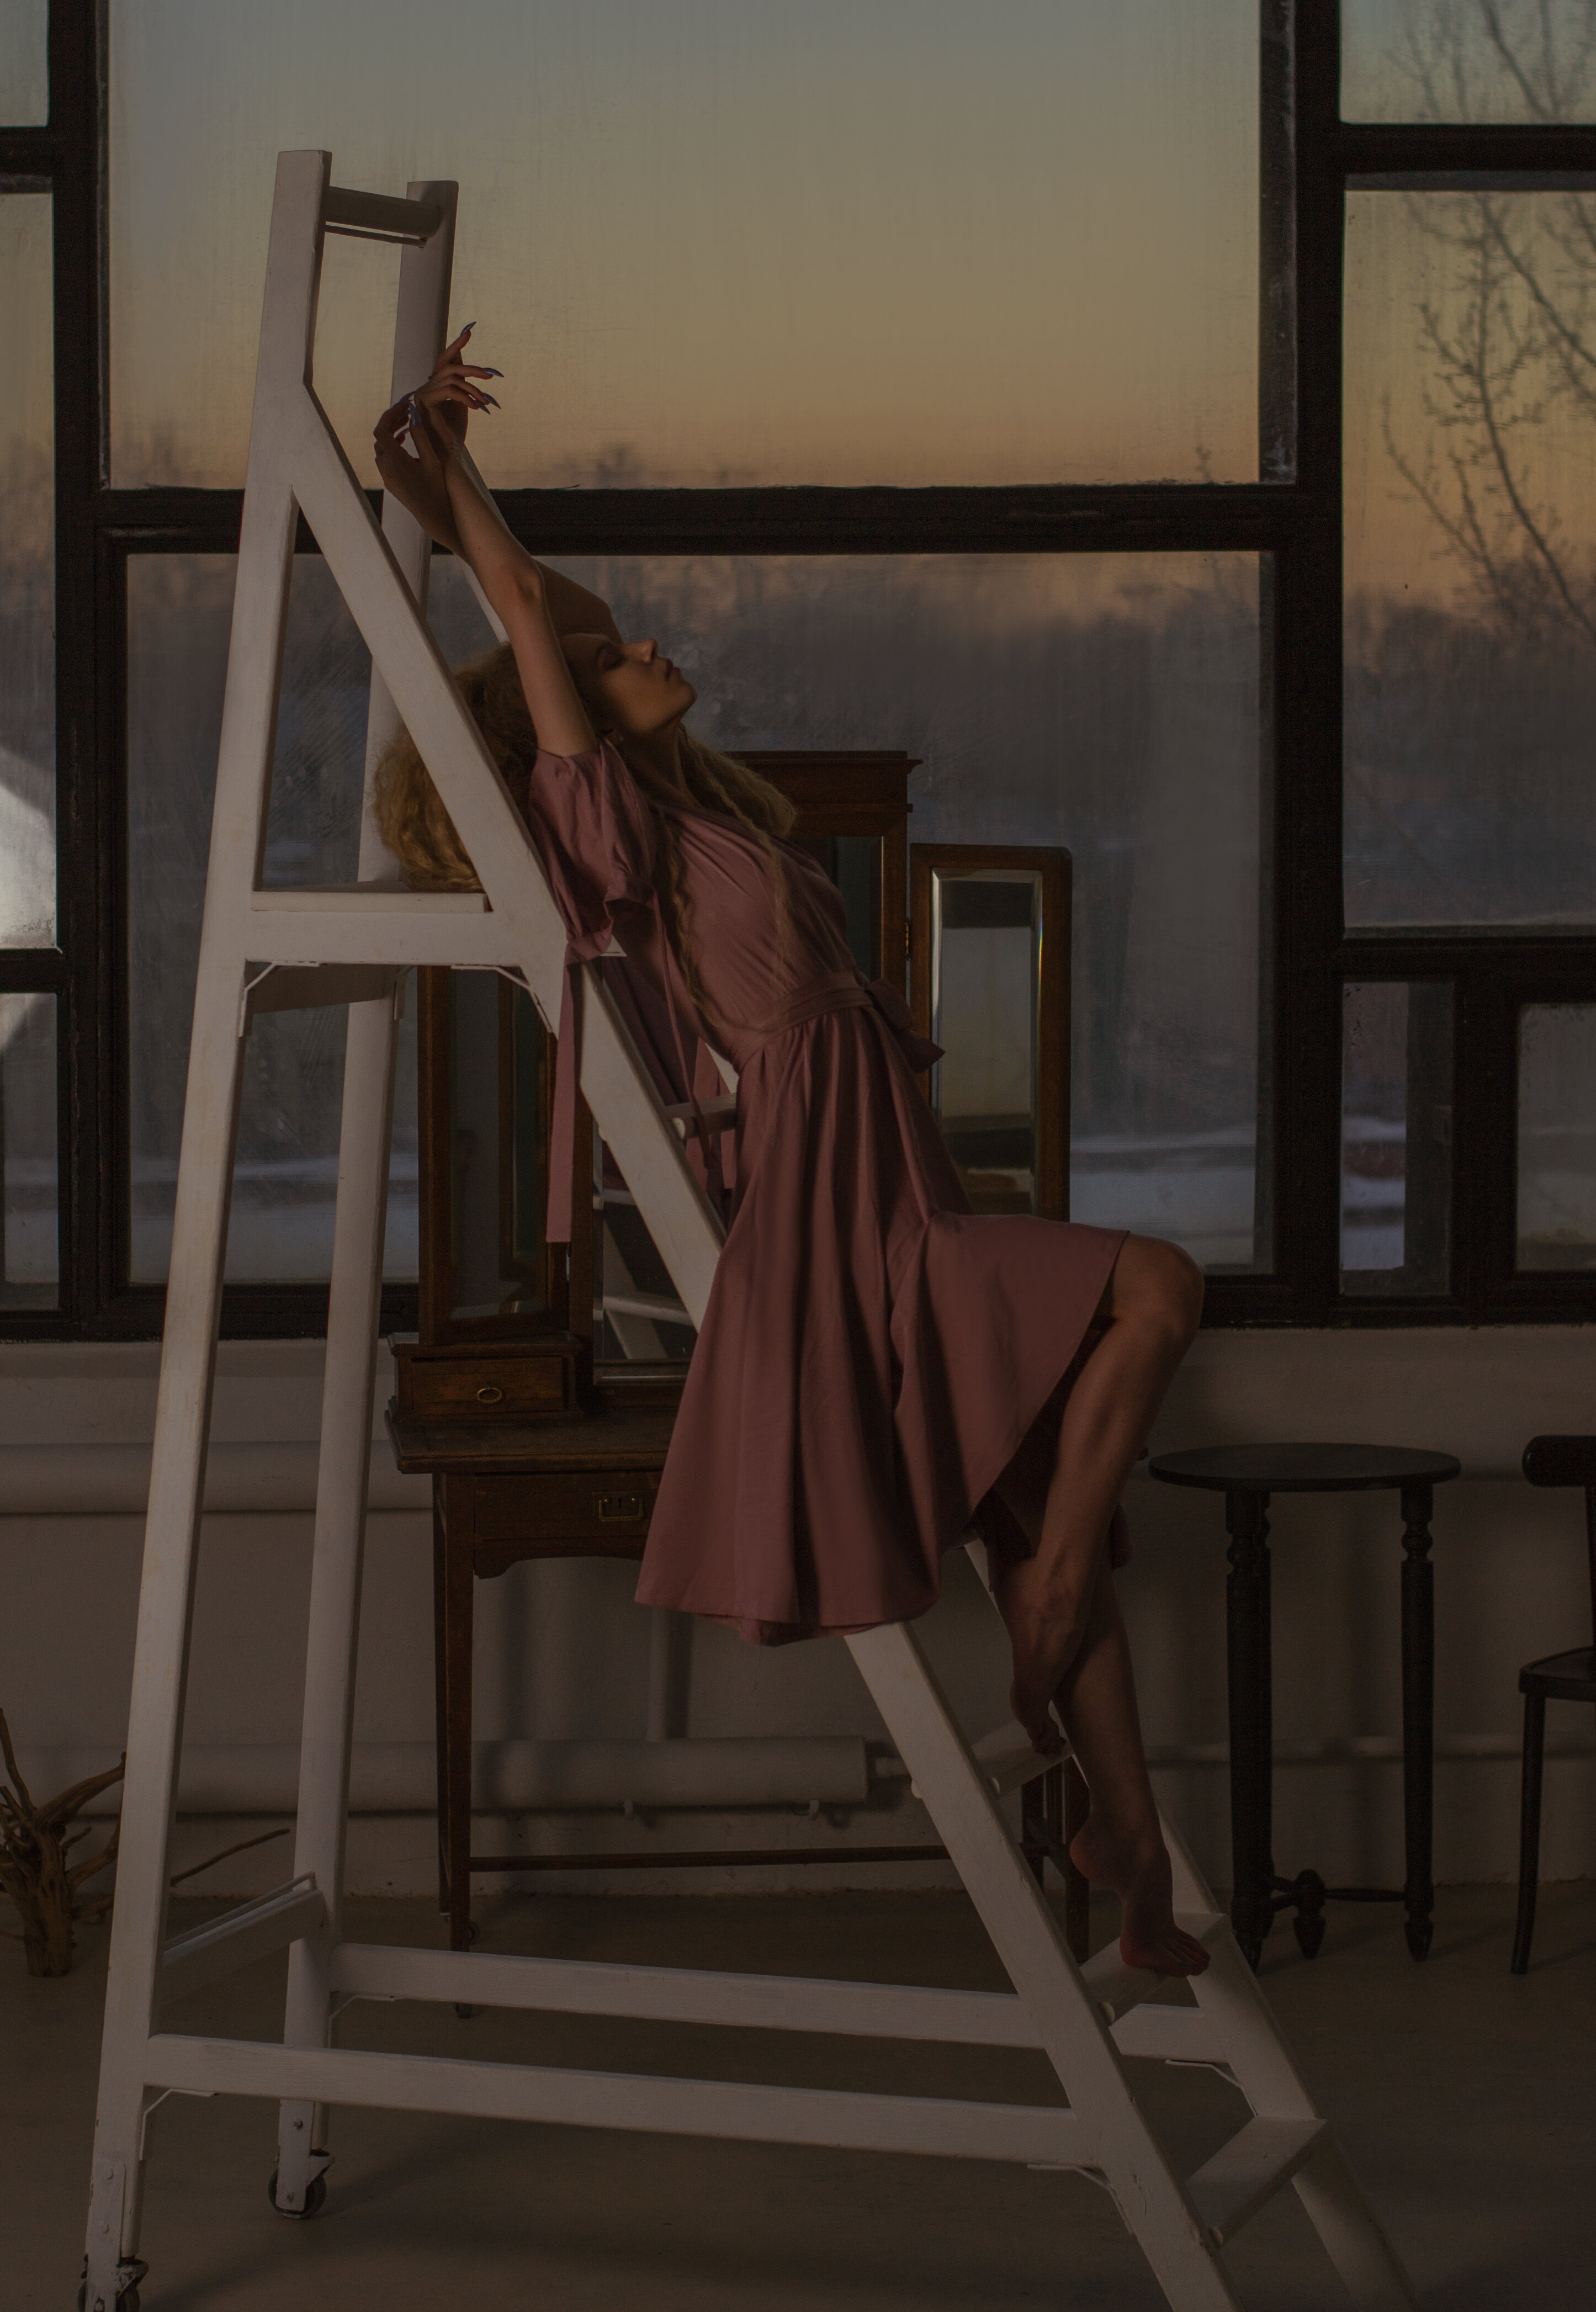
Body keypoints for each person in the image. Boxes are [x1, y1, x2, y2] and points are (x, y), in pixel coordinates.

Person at [372, 332, 1210, 1977]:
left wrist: (430, 467)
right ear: (560, 736)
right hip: (842, 1221)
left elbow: (545, 602)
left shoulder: (696, 811)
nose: (646, 646)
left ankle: (1129, 1853)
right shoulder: (608, 835)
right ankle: (1050, 1613)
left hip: (901, 1180)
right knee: (1161, 1289)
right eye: (611, 663)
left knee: (1048, 1502)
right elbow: (525, 608)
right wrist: (436, 466)